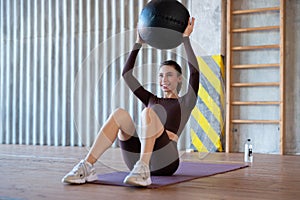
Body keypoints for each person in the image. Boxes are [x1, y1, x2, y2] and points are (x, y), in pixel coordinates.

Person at [62, 17, 199, 187]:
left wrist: (186, 39)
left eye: (169, 75)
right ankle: (88, 165)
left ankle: (143, 169)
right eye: (161, 75)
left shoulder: (186, 102)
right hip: (138, 155)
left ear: (179, 79)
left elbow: (194, 74)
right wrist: (138, 43)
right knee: (119, 114)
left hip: (166, 161)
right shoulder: (151, 99)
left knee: (148, 112)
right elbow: (127, 74)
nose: (164, 79)